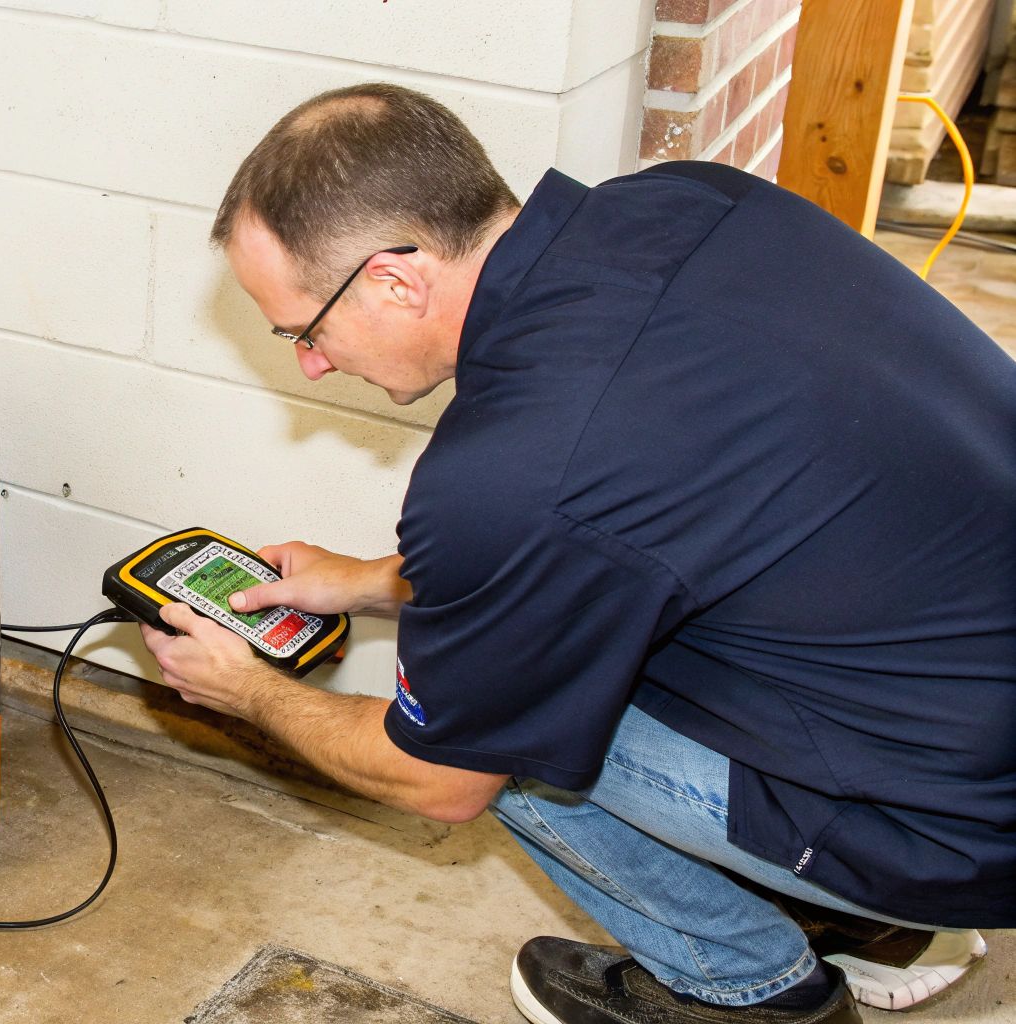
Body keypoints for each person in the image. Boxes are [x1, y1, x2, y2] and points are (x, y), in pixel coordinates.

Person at [136, 82, 1015, 1024]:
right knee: (542, 649)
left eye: (303, 330)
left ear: (394, 280)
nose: (310, 363)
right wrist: (355, 583)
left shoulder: (519, 466)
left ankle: (748, 990)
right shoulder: (691, 200)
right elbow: (625, 524)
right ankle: (874, 925)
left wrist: (251, 691)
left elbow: (436, 781)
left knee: (498, 734)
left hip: (955, 821)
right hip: (960, 683)